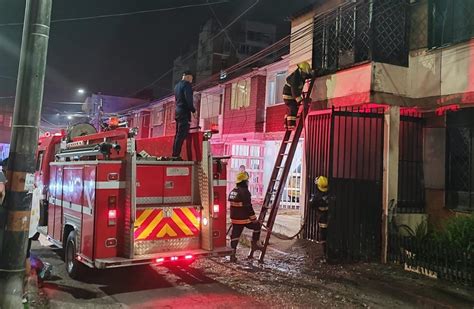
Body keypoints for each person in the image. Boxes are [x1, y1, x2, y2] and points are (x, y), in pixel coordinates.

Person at [228, 171, 263, 262]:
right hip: (244, 219)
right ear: (244, 181)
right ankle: (255, 244)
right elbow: (248, 207)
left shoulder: (233, 191)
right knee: (257, 226)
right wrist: (254, 219)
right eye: (247, 181)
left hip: (234, 219)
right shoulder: (245, 192)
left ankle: (232, 255)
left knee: (235, 236)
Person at [282, 61, 314, 130]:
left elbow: (308, 75)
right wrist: (300, 100)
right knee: (293, 108)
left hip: (292, 95)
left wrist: (316, 73)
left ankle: (286, 125)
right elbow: (294, 90)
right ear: (300, 70)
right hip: (289, 95)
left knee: (290, 109)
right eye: (304, 73)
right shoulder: (295, 78)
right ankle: (291, 125)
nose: (305, 75)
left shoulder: (301, 74)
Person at [172, 70, 196, 159]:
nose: (191, 81)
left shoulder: (177, 86)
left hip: (177, 111)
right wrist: (193, 110)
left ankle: (175, 153)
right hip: (184, 112)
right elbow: (188, 99)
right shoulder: (187, 85)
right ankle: (176, 155)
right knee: (181, 134)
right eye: (191, 79)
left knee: (177, 134)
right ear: (188, 77)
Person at [309, 176, 329, 253]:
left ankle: (325, 253)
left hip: (322, 217)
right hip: (330, 216)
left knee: (323, 235)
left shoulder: (317, 196)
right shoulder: (330, 192)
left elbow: (311, 204)